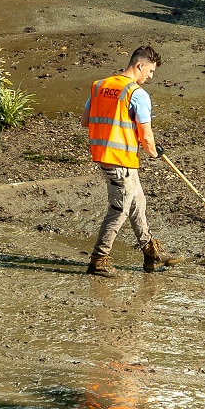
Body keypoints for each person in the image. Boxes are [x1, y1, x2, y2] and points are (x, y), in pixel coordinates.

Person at [81, 45, 182, 277]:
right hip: (121, 160)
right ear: (139, 65)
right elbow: (146, 136)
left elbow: (85, 120)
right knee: (119, 210)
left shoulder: (100, 86)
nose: (151, 76)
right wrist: (155, 153)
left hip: (104, 156)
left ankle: (151, 253)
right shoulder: (137, 94)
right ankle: (99, 260)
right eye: (151, 71)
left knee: (138, 202)